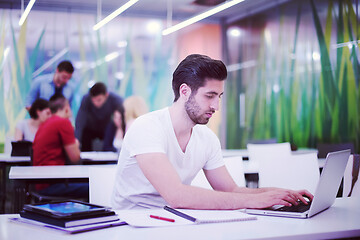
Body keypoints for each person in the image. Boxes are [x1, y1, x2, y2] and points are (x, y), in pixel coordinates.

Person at [111, 54, 313, 210]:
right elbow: (176, 195)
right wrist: (257, 201)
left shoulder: (206, 139)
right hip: (133, 225)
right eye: (210, 96)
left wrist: (281, 194)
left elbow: (232, 191)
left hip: (176, 222)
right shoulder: (147, 126)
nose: (216, 106)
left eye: (219, 96)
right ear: (184, 91)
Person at [32, 94, 88, 198]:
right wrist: (76, 144)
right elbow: (75, 158)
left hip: (40, 183)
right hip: (52, 184)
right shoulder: (63, 123)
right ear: (66, 109)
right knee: (93, 186)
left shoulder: (46, 123)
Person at [75, 82, 124, 151]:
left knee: (111, 127)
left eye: (99, 100)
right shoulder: (86, 99)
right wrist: (76, 140)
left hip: (106, 129)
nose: (96, 103)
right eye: (93, 100)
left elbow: (122, 119)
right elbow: (80, 120)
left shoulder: (116, 100)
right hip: (90, 128)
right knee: (84, 132)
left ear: (106, 95)